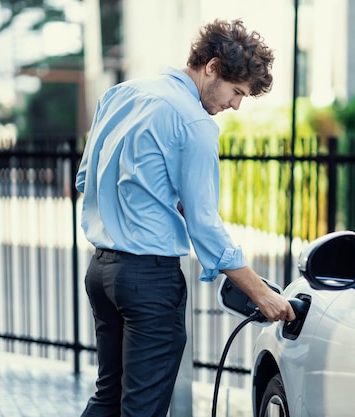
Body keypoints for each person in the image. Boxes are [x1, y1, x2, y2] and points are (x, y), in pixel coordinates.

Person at [75, 18, 295, 417]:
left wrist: (161, 198)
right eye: (236, 91)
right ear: (211, 67)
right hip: (148, 282)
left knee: (108, 397)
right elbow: (206, 227)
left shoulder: (119, 95)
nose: (235, 105)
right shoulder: (195, 123)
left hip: (101, 274)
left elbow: (85, 178)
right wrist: (260, 293)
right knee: (142, 409)